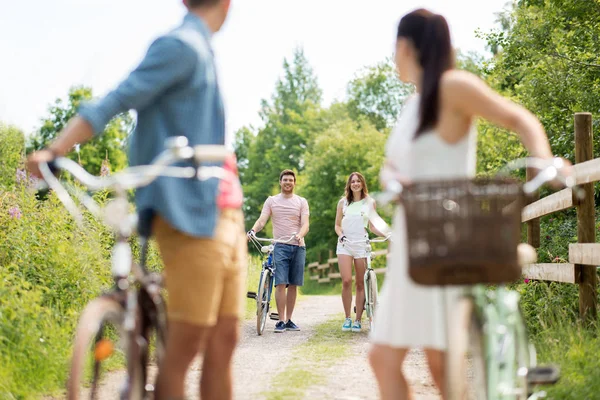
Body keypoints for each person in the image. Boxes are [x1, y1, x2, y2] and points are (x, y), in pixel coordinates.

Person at [26, 1, 246, 399]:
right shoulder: (180, 45)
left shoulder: (202, 46)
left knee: (224, 339)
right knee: (188, 344)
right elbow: (115, 99)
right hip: (192, 210)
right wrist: (54, 151)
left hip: (225, 204)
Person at [368, 8, 565, 400]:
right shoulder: (412, 106)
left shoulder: (453, 86)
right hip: (411, 241)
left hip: (446, 236)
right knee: (383, 358)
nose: (393, 55)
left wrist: (545, 160)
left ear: (406, 46)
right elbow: (390, 167)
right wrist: (392, 179)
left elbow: (520, 119)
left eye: (395, 47)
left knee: (442, 369)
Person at [248, 169, 309, 333]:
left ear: (294, 183)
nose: (288, 182)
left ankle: (289, 319)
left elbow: (305, 224)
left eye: (291, 180)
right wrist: (253, 230)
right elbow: (262, 220)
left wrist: (299, 235)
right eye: (285, 180)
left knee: (294, 284)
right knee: (280, 283)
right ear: (280, 182)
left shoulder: (301, 201)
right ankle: (281, 320)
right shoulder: (272, 201)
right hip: (280, 245)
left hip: (297, 245)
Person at [334, 172, 387, 333]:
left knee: (360, 282)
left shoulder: (370, 202)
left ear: (363, 184)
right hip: (345, 244)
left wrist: (388, 234)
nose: (355, 184)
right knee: (346, 281)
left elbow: (372, 226)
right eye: (352, 182)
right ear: (349, 185)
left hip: (361, 244)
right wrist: (341, 235)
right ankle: (347, 318)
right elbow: (337, 225)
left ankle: (358, 320)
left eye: (358, 181)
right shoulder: (343, 203)